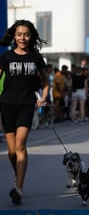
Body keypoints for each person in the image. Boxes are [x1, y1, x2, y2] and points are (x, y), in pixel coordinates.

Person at [0, 20, 50, 205]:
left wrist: (43, 97)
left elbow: (46, 82)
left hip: (26, 105)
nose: (23, 38)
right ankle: (18, 174)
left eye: (26, 34)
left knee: (20, 145)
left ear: (31, 36)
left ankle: (18, 188)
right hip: (6, 105)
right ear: (14, 35)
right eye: (19, 34)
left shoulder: (36, 58)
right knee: (12, 152)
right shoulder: (6, 57)